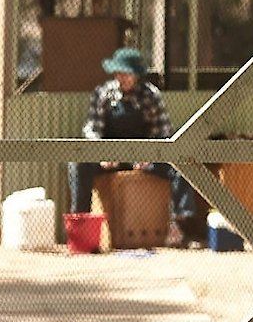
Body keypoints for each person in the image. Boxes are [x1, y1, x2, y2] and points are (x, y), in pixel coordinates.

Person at [68, 47, 201, 246]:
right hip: (110, 158)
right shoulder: (103, 94)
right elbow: (92, 130)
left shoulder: (150, 95)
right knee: (77, 164)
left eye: (127, 73)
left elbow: (163, 132)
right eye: (119, 73)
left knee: (181, 166)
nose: (122, 77)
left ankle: (179, 227)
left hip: (144, 158)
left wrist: (150, 155)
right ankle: (82, 227)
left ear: (137, 75)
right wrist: (102, 153)